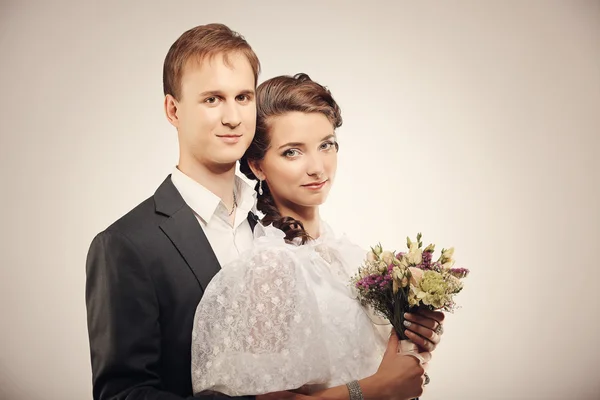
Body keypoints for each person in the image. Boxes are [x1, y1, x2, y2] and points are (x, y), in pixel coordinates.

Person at [85, 22, 443, 400]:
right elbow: (123, 395)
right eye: (212, 99)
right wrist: (365, 391)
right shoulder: (127, 245)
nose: (233, 118)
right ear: (173, 109)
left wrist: (405, 336)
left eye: (242, 97)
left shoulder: (281, 227)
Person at [190, 73, 445, 400]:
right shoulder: (271, 267)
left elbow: (385, 365)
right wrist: (374, 390)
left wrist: (414, 339)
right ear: (257, 166)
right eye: (292, 152)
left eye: (326, 145)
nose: (318, 168)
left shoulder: (351, 257)